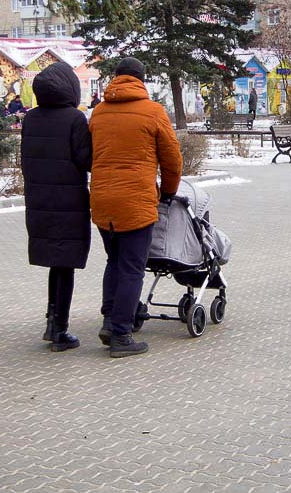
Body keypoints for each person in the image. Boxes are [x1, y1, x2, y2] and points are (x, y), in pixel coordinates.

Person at [89, 57, 182, 358]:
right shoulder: (153, 112)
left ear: (116, 78)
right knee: (132, 268)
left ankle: (108, 320)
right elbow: (172, 161)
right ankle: (121, 335)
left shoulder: (98, 113)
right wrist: (167, 193)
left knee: (113, 262)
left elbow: (87, 154)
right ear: (142, 80)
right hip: (137, 201)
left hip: (102, 201)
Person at [21, 62, 92, 352]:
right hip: (68, 201)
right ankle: (58, 328)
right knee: (65, 264)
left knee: (56, 263)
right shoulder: (75, 119)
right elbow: (86, 160)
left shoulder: (31, 119)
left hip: (39, 200)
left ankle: (54, 321)